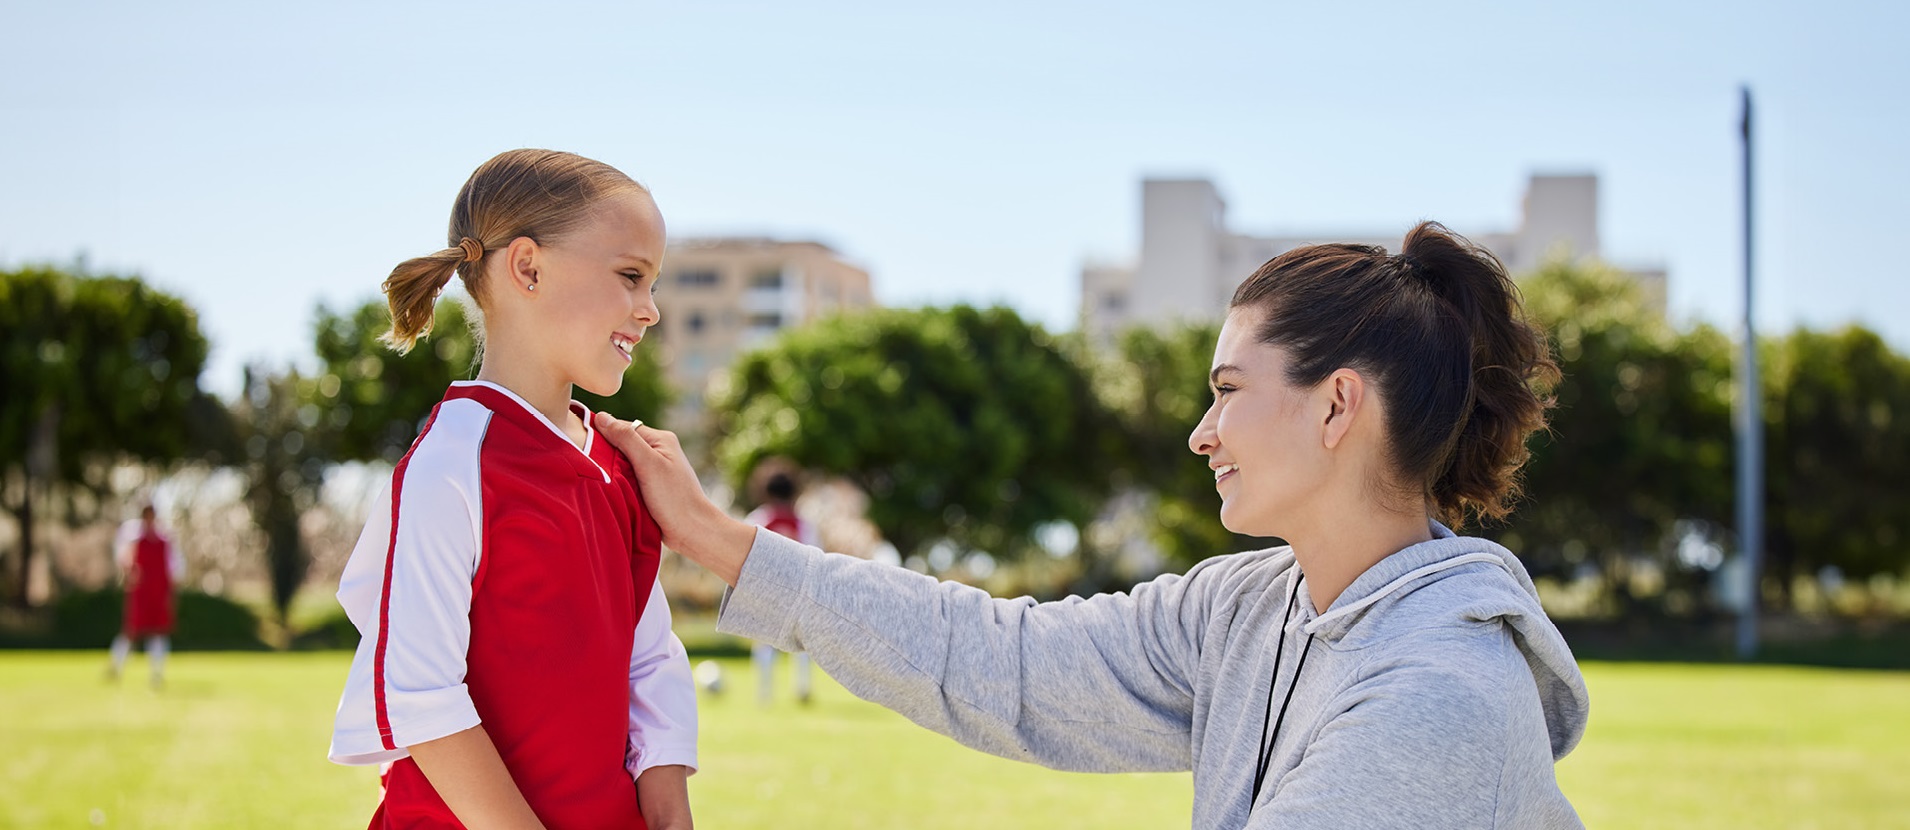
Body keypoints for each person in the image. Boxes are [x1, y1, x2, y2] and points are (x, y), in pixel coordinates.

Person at [594, 221, 1588, 828]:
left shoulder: (1434, 700)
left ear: (1335, 406)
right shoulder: (1246, 609)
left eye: (1228, 390)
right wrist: (721, 539)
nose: (1201, 433)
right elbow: (1005, 662)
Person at [327, 149, 697, 830]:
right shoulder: (449, 467)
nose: (649, 310)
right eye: (629, 276)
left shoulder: (622, 468)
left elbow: (650, 664)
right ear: (527, 267)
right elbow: (420, 697)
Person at [743, 471, 815, 705]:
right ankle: (802, 687)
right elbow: (815, 556)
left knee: (764, 642)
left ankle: (765, 693)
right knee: (802, 642)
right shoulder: (803, 524)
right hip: (796, 589)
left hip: (765, 588)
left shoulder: (758, 519)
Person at [107, 503, 183, 689]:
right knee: (131, 631)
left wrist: (171, 593)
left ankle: (157, 673)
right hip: (141, 592)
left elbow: (174, 568)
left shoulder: (165, 541)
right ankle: (115, 666)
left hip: (158, 592)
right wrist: (129, 575)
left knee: (158, 631)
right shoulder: (134, 539)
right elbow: (124, 561)